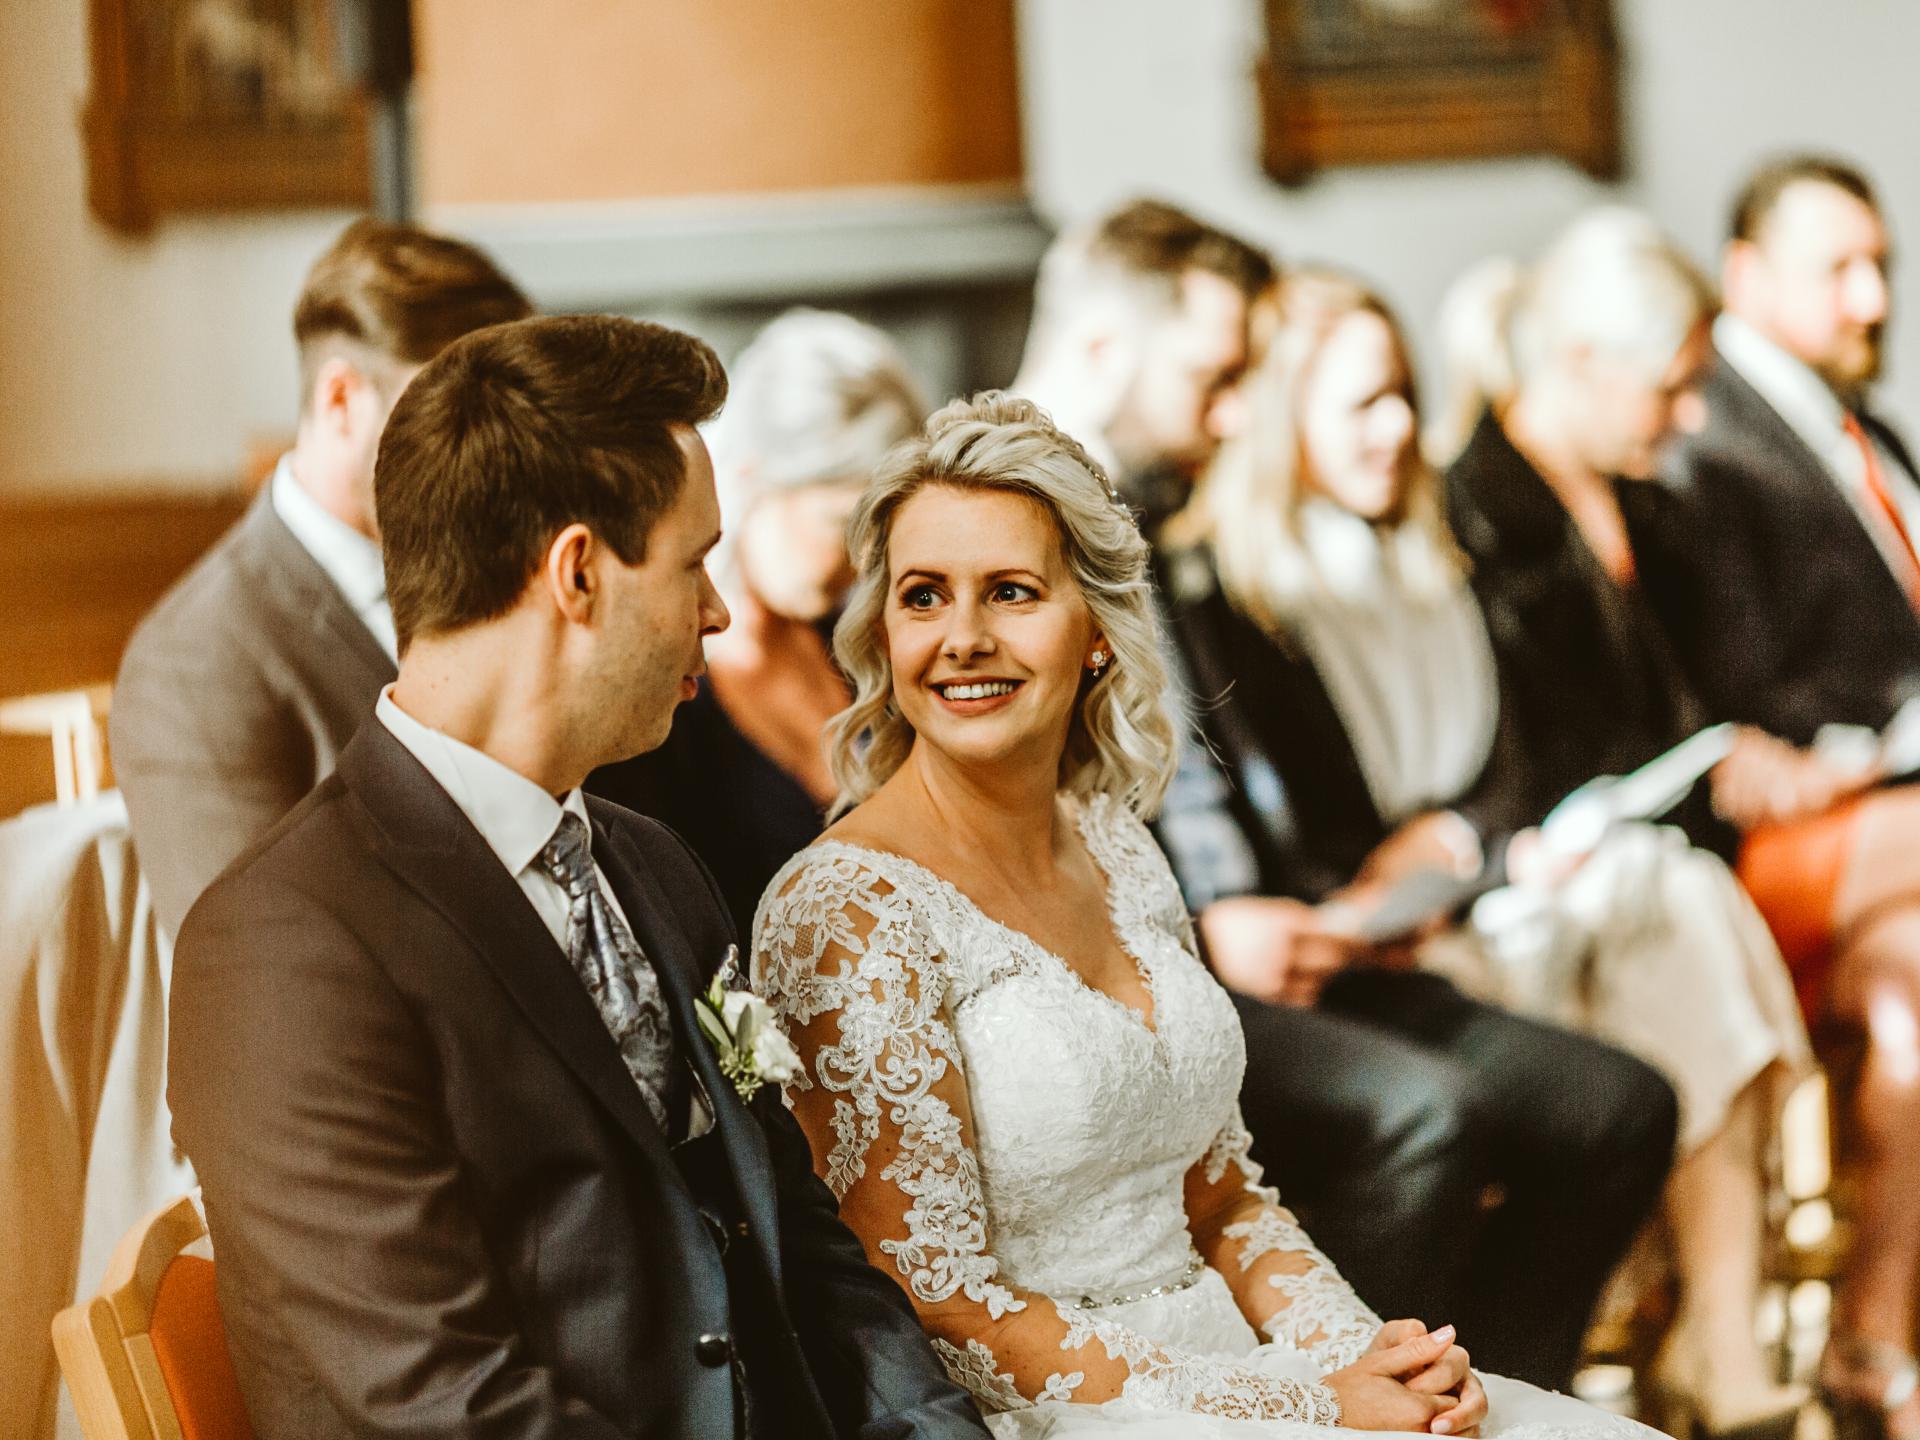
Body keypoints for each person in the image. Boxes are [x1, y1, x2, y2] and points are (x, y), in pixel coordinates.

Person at [752, 391, 1657, 1439]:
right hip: (1058, 1410)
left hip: (1241, 1371)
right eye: (922, 597)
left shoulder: (1117, 844)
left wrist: (1366, 1358)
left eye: (1009, 593)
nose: (961, 638)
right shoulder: (848, 911)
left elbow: (1222, 1201)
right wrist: (1309, 1402)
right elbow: (940, 1306)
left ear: (1095, 629)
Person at [167, 315, 991, 1440]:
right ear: (577, 573)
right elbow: (442, 1400)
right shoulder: (280, 948)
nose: (719, 609)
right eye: (695, 560)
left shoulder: (654, 865)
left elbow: (801, 1236)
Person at [1020, 200, 1678, 1389]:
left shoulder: (1173, 521)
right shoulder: (1005, 543)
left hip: (1285, 935)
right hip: (1144, 974)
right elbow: (1015, 829)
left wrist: (1355, 898)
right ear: (1111, 350)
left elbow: (1273, 772)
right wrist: (1200, 931)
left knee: (1615, 1107)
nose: (1233, 414)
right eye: (1213, 378)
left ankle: (1488, 1394)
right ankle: (1347, 1408)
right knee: (1426, 1116)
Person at [1170, 266, 1807, 1438]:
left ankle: (1516, 1384)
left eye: (1404, 393)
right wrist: (1377, 888)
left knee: (1637, 1051)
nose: (1401, 426)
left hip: (1445, 908)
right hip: (1339, 949)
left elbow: (1507, 768)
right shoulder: (1223, 586)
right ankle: (1420, 1393)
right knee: (1505, 1062)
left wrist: (1466, 843)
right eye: (1362, 402)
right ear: (1283, 418)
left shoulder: (1427, 557)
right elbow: (1258, 833)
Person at [1637, 157, 1920, 1437]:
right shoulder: (1701, 436)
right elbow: (1723, 693)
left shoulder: (1870, 427)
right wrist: (1854, 746)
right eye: (1840, 268)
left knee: (1915, 1010)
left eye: (1884, 265)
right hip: (1791, 832)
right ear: (1746, 274)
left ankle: (1872, 1336)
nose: (1874, 296)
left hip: (1888, 851)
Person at [112, 217, 532, 936]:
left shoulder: (516, 568)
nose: (496, 456)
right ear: (341, 401)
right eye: (457, 416)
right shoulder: (196, 664)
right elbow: (250, 973)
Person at [590, 308, 927, 937]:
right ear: (750, 479)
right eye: (840, 525)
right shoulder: (662, 700)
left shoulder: (851, 646)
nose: (863, 561)